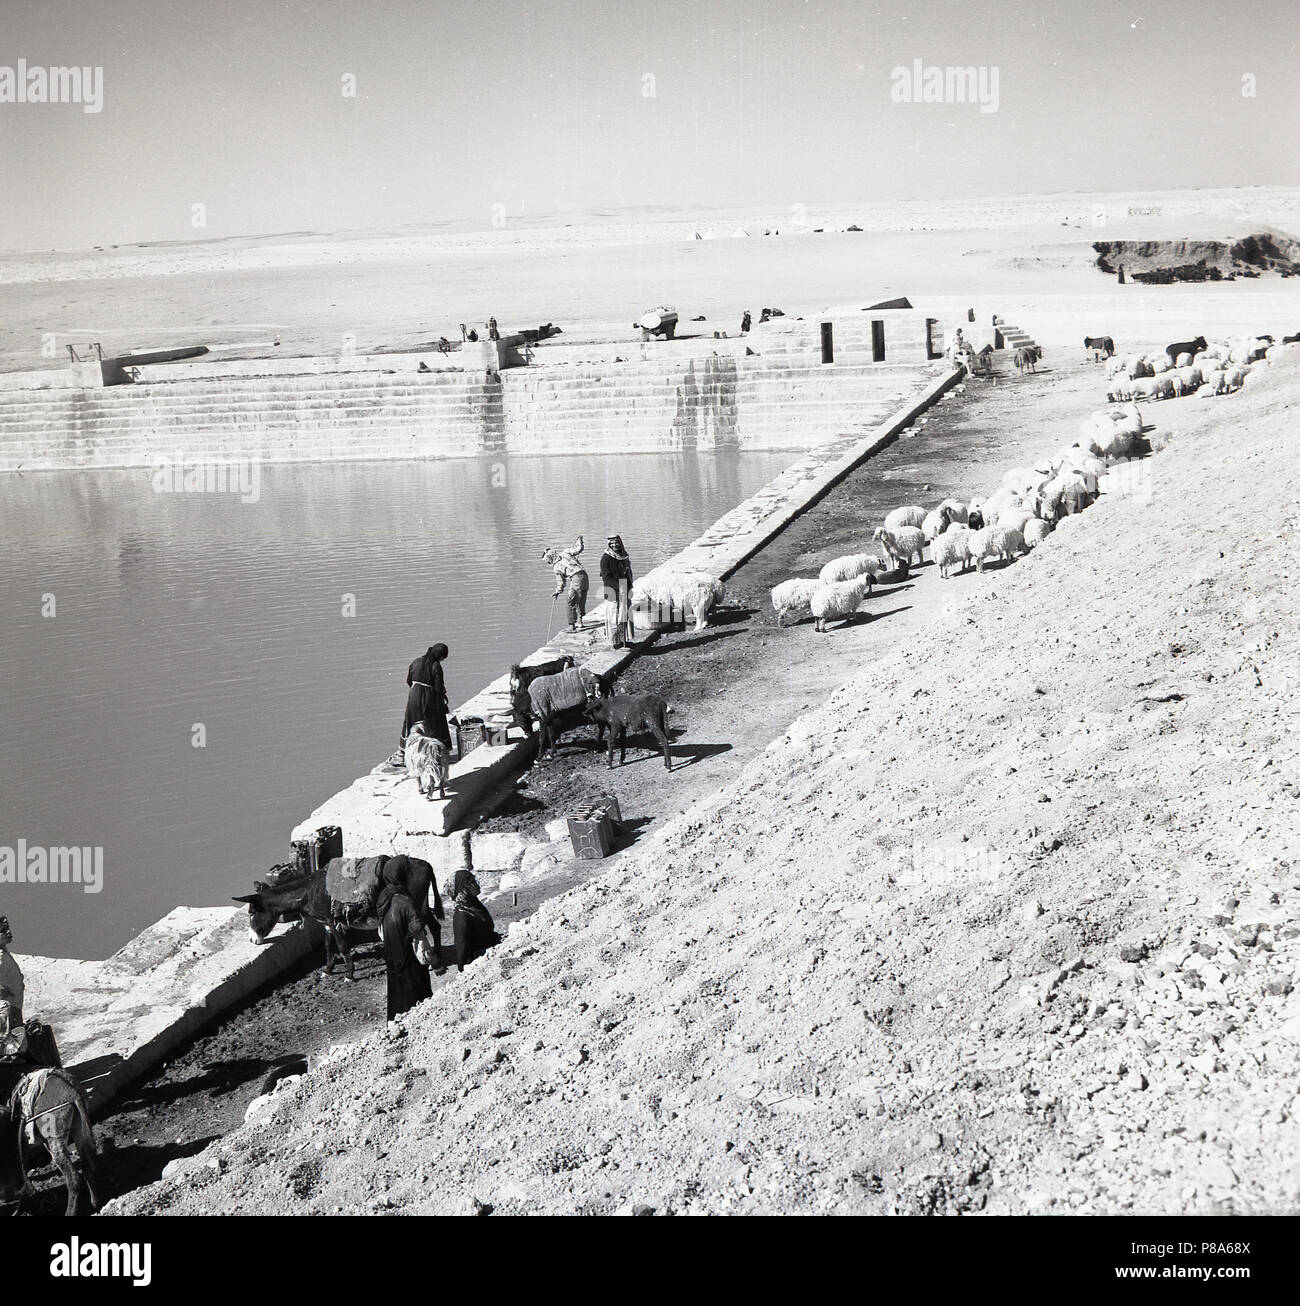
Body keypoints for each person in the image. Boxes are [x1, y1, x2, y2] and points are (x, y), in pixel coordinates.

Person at [376, 862, 436, 1021]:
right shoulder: (404, 900)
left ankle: (395, 1023)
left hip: (391, 955)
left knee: (397, 993)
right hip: (408, 956)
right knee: (415, 992)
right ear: (401, 876)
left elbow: (381, 928)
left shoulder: (384, 897)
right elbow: (416, 927)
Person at [394, 644, 450, 765]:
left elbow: (409, 680)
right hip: (429, 698)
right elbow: (438, 688)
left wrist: (417, 690)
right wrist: (443, 700)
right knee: (432, 723)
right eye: (443, 658)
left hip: (413, 696)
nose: (442, 660)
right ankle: (432, 751)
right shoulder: (436, 666)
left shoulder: (416, 661)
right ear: (440, 656)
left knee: (411, 722)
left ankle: (404, 751)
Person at [542, 535, 588, 632]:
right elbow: (579, 548)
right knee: (580, 600)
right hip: (584, 576)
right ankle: (580, 622)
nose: (548, 563)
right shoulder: (566, 552)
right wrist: (580, 540)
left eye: (548, 561)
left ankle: (571, 626)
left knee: (570, 601)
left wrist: (557, 592)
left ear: (550, 558)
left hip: (576, 579)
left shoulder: (556, 567)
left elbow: (561, 582)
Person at [600, 534, 634, 648]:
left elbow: (628, 573)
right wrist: (620, 587)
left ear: (620, 543)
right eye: (612, 543)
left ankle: (622, 640)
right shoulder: (606, 558)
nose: (615, 545)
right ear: (609, 545)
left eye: (616, 543)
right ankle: (615, 643)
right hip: (613, 592)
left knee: (624, 616)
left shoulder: (623, 556)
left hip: (624, 590)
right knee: (614, 617)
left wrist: (629, 588)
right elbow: (606, 578)